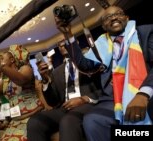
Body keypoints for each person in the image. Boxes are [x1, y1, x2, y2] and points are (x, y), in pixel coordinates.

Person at [55, 5, 153, 141]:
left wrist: (143, 94)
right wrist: (68, 34)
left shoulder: (146, 33)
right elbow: (85, 66)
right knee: (92, 121)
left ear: (127, 17)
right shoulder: (101, 44)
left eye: (118, 14)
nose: (113, 18)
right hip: (113, 99)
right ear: (103, 26)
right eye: (108, 17)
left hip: (146, 92)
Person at [27, 40, 101, 141]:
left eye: (64, 42)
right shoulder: (56, 72)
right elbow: (53, 102)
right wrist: (45, 79)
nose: (62, 46)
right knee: (35, 121)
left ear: (76, 43)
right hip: (65, 108)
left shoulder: (89, 62)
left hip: (86, 105)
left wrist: (84, 99)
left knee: (68, 121)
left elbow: (102, 87)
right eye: (59, 45)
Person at [0, 44, 44, 140]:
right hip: (15, 122)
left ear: (12, 60)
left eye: (2, 58)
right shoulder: (6, 79)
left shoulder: (25, 69)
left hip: (32, 119)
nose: (0, 60)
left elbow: (21, 80)